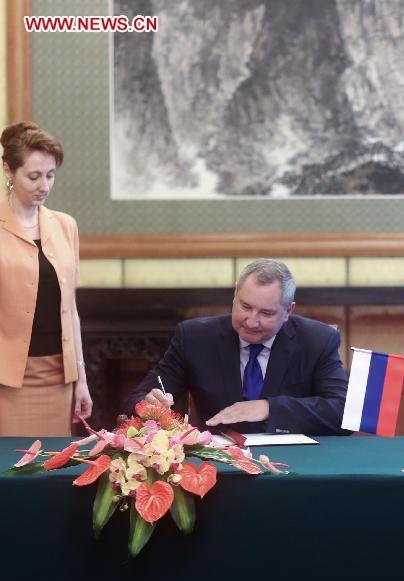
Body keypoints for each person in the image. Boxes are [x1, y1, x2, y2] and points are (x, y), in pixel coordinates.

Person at [125, 259, 350, 436]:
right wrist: (149, 403)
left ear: (288, 312)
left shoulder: (317, 340)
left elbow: (344, 413)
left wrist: (269, 408)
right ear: (235, 296)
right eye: (245, 306)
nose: (251, 321)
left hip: (296, 464)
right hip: (218, 464)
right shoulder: (195, 337)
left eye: (266, 313)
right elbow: (136, 400)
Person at [0, 121, 92, 435]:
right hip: (8, 381)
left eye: (50, 175)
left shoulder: (66, 226)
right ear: (8, 172)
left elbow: (71, 312)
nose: (44, 186)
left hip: (58, 377)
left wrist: (81, 379)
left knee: (53, 471)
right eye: (34, 176)